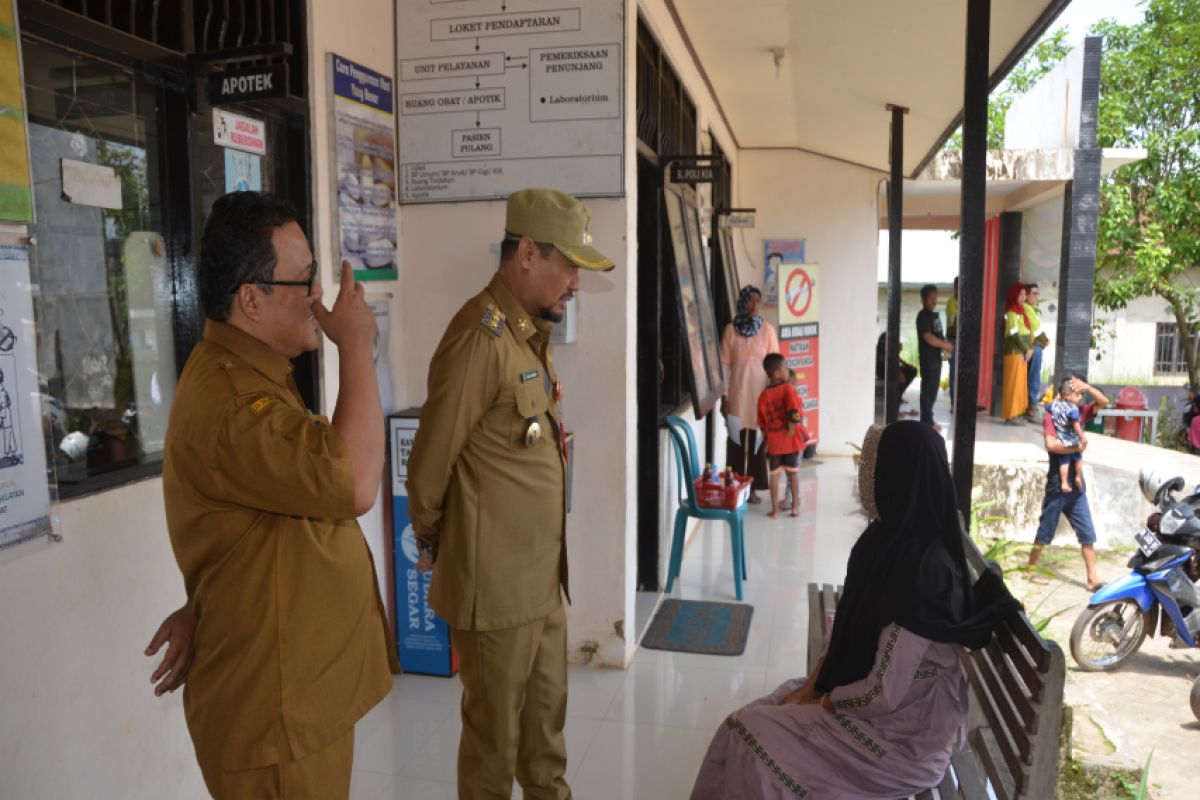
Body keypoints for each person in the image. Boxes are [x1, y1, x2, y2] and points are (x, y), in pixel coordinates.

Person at [144, 191, 399, 797]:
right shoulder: (238, 404)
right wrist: (357, 347)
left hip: (292, 690)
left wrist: (205, 603)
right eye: (304, 281)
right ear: (251, 299)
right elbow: (356, 482)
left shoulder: (252, 374)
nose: (319, 298)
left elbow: (249, 528)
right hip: (275, 714)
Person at [405, 188, 614, 798]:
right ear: (527, 252)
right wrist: (436, 541)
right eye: (568, 265)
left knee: (545, 741)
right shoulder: (480, 338)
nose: (575, 282)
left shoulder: (526, 339)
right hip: (495, 591)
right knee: (493, 752)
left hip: (542, 582)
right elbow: (428, 466)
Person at [689, 421, 1019, 799]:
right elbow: (850, 633)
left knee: (752, 739)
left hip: (902, 741)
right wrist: (813, 687)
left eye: (877, 465)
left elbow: (882, 692)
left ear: (899, 475)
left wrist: (825, 699)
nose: (868, 474)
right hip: (878, 710)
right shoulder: (887, 542)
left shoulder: (924, 575)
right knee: (739, 726)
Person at [1028, 376, 1110, 592]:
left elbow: (1104, 403)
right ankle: (1030, 568)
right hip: (1057, 484)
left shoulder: (1080, 413)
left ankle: (1092, 578)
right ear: (1064, 395)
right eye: (1077, 393)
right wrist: (1077, 449)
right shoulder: (1051, 414)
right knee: (1046, 529)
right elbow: (1051, 445)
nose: (1081, 397)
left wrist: (1089, 387)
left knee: (1087, 533)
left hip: (1077, 484)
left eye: (1082, 394)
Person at [721, 285, 780, 503]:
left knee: (756, 442)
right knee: (737, 441)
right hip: (737, 392)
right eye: (751, 300)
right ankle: (735, 486)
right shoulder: (730, 330)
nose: (755, 305)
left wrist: (773, 397)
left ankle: (753, 487)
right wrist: (724, 398)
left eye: (758, 301)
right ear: (742, 301)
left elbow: (775, 366)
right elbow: (725, 367)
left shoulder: (767, 331)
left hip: (760, 395)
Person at [757, 353, 808, 519]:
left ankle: (775, 510)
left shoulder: (763, 395)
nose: (788, 370)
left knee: (774, 475)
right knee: (793, 474)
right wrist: (792, 427)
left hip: (774, 442)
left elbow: (761, 420)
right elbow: (794, 410)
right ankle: (794, 508)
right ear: (777, 373)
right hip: (790, 441)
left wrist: (766, 438)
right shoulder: (788, 389)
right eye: (785, 367)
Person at [916, 284, 953, 428]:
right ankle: (926, 420)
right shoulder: (923, 316)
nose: (934, 301)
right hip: (927, 359)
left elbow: (938, 335)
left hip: (936, 359)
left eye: (935, 298)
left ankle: (928, 418)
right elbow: (928, 337)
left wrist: (946, 343)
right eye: (931, 298)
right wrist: (944, 345)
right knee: (928, 390)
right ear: (923, 300)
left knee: (933, 389)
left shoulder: (935, 316)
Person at [1000, 282, 1033, 425]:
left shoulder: (1021, 311)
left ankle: (1016, 414)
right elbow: (1014, 332)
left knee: (1019, 384)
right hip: (1015, 351)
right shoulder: (1011, 312)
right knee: (1013, 384)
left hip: (1021, 352)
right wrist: (1026, 348)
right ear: (1014, 295)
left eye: (1025, 294)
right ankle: (1012, 415)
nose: (1023, 297)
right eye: (1021, 294)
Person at [1047, 378, 1087, 493]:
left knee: (1064, 462)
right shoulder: (1073, 409)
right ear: (1068, 396)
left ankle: (1064, 482)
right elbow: (1076, 424)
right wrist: (1082, 436)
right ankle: (1078, 477)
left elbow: (1047, 407)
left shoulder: (1055, 406)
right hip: (1072, 440)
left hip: (1062, 440)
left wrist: (1057, 399)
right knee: (1078, 458)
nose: (1080, 398)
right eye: (1078, 395)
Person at [1024, 283, 1050, 422]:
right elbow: (1035, 332)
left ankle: (1031, 408)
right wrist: (1043, 341)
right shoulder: (1026, 308)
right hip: (1032, 347)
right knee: (1033, 378)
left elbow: (1038, 330)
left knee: (1033, 377)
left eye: (1037, 293)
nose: (1036, 296)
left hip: (1034, 346)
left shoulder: (1031, 309)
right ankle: (1031, 410)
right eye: (1034, 293)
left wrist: (1043, 340)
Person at [875, 331, 916, 398]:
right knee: (901, 378)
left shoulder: (891, 348)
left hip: (891, 366)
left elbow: (896, 357)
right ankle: (895, 398)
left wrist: (906, 364)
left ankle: (898, 395)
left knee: (912, 370)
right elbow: (885, 360)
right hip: (882, 368)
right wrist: (897, 371)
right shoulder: (879, 350)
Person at [945, 277, 958, 409]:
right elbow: (956, 321)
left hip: (964, 340)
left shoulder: (966, 301)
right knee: (954, 371)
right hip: (953, 340)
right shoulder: (951, 303)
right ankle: (954, 401)